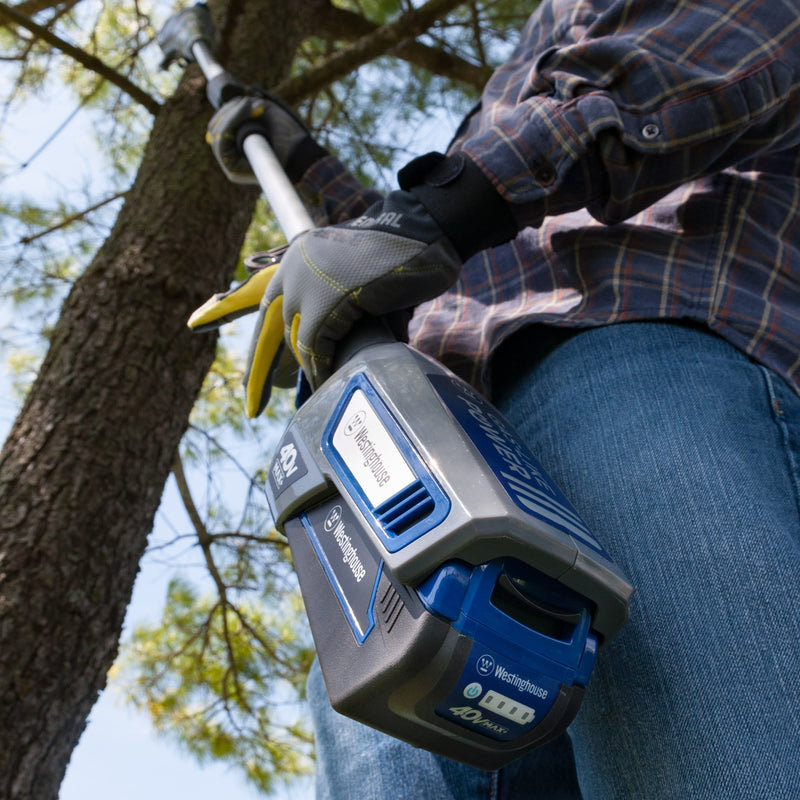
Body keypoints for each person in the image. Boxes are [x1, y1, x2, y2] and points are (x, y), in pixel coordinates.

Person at [194, 0, 800, 797]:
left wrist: (443, 206)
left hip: (636, 343)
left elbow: (720, 47)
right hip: (435, 441)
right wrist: (310, 163)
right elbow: (457, 242)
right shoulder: (517, 79)